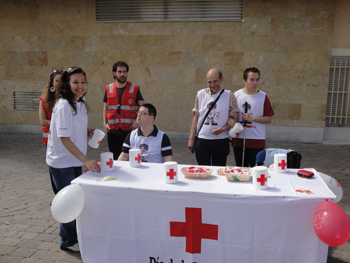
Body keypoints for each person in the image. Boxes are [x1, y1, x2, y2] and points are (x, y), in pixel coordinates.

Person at [46, 67, 101, 253]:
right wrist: (86, 160)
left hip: (75, 160)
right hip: (62, 162)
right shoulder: (63, 105)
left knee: (74, 200)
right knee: (68, 202)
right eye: (75, 82)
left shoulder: (81, 102)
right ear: (67, 85)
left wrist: (86, 133)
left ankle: (73, 235)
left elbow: (71, 130)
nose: (80, 86)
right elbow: (64, 138)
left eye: (83, 82)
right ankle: (68, 240)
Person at [188, 68, 239, 166]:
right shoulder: (200, 94)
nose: (212, 85)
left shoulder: (229, 96)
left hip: (221, 141)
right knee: (203, 170)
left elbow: (235, 119)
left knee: (218, 170)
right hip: (202, 140)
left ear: (221, 79)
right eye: (209, 82)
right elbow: (196, 118)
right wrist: (191, 139)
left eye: (215, 81)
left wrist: (223, 129)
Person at [232, 67, 275, 167]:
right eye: (252, 79)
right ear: (244, 80)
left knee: (256, 171)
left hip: (257, 140)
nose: (255, 82)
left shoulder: (263, 96)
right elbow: (230, 115)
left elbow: (269, 119)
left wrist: (252, 118)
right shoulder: (236, 95)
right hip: (239, 140)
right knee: (241, 169)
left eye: (257, 79)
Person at [103, 61, 144, 160]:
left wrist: (137, 122)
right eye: (120, 72)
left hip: (129, 131)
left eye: (124, 72)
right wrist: (105, 123)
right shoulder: (108, 88)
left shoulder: (135, 88)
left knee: (130, 159)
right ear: (114, 73)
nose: (122, 74)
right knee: (115, 159)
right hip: (113, 132)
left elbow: (143, 108)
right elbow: (105, 107)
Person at [39, 70, 63, 194]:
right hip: (49, 139)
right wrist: (57, 122)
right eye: (56, 80)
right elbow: (43, 121)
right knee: (53, 167)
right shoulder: (44, 99)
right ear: (52, 83)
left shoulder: (67, 100)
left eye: (61, 80)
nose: (59, 83)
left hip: (64, 139)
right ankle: (56, 194)